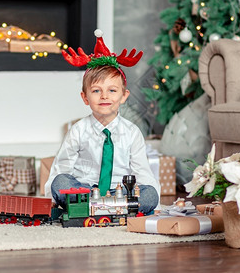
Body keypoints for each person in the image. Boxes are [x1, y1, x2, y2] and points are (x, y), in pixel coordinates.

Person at [44, 30, 160, 214]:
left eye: (112, 90)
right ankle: (104, 208)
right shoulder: (78, 130)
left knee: (151, 195)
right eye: (96, 91)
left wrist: (155, 201)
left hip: (121, 192)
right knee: (61, 182)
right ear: (85, 97)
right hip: (85, 191)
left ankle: (97, 209)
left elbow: (143, 171)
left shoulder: (132, 132)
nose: (104, 96)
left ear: (124, 96)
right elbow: (62, 166)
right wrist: (51, 197)